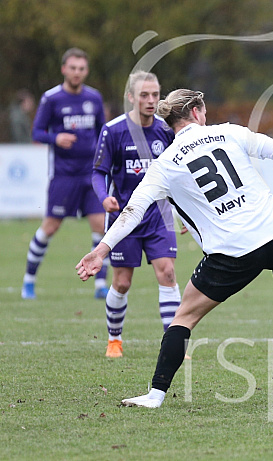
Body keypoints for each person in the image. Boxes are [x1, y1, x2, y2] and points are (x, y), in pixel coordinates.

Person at [76, 89, 273, 407]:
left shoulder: (164, 164)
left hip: (231, 251)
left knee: (183, 319)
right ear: (196, 111)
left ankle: (155, 394)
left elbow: (131, 212)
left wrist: (101, 251)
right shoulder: (228, 132)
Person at [92, 71, 180, 358]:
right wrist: (104, 197)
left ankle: (173, 342)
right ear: (131, 97)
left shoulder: (167, 131)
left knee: (167, 273)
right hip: (125, 216)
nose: (151, 100)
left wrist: (188, 213)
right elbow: (98, 173)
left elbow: (180, 175)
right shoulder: (113, 130)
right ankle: (114, 340)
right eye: (144, 95)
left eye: (156, 94)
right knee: (122, 282)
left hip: (159, 215)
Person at [22, 48, 108, 300]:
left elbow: (103, 131)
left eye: (81, 68)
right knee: (50, 227)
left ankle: (100, 285)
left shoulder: (94, 97)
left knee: (100, 227)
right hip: (64, 175)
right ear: (64, 69)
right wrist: (55, 137)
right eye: (73, 68)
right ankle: (29, 280)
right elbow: (37, 132)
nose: (77, 72)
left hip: (91, 174)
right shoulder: (52, 99)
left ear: (86, 71)